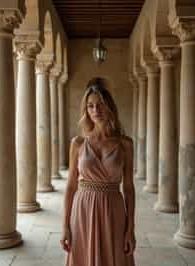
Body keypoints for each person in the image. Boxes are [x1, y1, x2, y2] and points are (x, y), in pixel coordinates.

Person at [60, 77, 136, 266]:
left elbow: (128, 188)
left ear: (109, 106)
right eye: (90, 106)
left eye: (100, 104)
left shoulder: (125, 144)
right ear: (86, 110)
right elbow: (70, 187)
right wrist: (65, 226)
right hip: (83, 209)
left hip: (113, 210)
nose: (96, 110)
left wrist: (130, 229)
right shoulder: (77, 143)